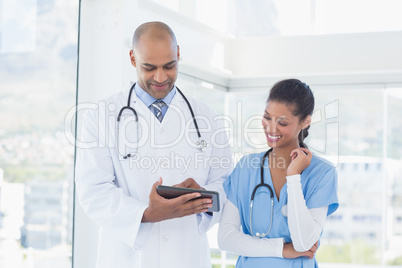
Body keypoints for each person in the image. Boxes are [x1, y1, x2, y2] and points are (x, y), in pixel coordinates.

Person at [75, 21, 232, 268]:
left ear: (178, 54)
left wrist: (203, 196)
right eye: (149, 67)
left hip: (187, 256)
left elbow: (226, 183)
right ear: (132, 58)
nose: (160, 77)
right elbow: (93, 190)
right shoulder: (102, 115)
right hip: (128, 259)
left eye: (169, 66)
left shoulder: (208, 118)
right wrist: (146, 215)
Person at [218, 79, 339, 267]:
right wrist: (281, 250)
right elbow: (226, 238)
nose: (271, 128)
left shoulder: (322, 173)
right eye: (267, 117)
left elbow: (304, 243)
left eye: (282, 122)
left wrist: (293, 177)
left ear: (305, 121)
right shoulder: (246, 167)